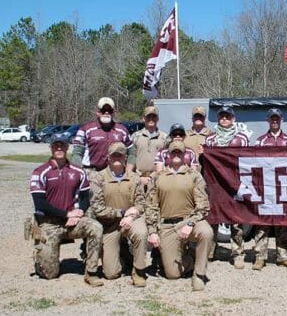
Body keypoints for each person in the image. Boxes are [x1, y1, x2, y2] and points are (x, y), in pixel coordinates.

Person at [29, 133, 103, 286]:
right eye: (55, 145)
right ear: (50, 147)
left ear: (67, 147)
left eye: (62, 145)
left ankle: (91, 272)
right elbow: (39, 203)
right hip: (49, 223)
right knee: (49, 275)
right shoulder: (40, 172)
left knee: (95, 227)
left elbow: (84, 197)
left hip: (72, 222)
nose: (59, 148)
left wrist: (79, 212)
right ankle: (40, 258)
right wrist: (66, 214)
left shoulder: (78, 172)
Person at [146, 141, 214, 291]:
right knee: (172, 274)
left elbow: (203, 205)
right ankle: (191, 256)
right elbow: (151, 206)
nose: (176, 155)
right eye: (173, 152)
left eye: (179, 152)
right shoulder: (157, 176)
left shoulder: (194, 175)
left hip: (190, 221)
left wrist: (190, 224)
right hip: (167, 226)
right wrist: (152, 231)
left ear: (185, 155)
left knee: (207, 232)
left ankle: (199, 274)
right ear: (168, 155)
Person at [88, 142, 148, 287]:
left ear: (125, 158)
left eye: (120, 155)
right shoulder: (98, 177)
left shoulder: (134, 178)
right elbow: (97, 208)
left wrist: (131, 215)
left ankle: (139, 271)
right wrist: (121, 213)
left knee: (141, 232)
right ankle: (124, 257)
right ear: (108, 158)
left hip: (131, 220)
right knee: (111, 274)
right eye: (114, 155)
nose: (117, 158)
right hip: (110, 224)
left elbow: (141, 203)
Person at [253, 108, 287, 271]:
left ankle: (284, 256)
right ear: (267, 120)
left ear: (282, 120)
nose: (274, 121)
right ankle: (260, 256)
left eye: (277, 118)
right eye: (272, 118)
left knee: (283, 222)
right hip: (265, 187)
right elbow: (254, 163)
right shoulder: (260, 141)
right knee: (262, 222)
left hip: (282, 186)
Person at [204, 106, 249, 269]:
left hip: (234, 183)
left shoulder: (242, 138)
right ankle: (210, 251)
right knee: (213, 218)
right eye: (222, 117)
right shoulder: (210, 139)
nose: (224, 119)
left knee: (235, 220)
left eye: (227, 117)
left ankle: (237, 253)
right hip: (215, 183)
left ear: (233, 119)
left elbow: (246, 160)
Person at [72, 97, 136, 174]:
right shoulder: (85, 129)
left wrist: (128, 172)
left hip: (115, 174)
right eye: (103, 110)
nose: (106, 113)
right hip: (91, 173)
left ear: (113, 113)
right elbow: (77, 154)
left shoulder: (122, 130)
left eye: (109, 110)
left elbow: (132, 152)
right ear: (98, 112)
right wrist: (80, 173)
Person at [132, 105, 168, 189]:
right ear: (144, 118)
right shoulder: (135, 136)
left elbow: (167, 160)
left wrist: (153, 176)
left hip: (157, 178)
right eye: (148, 116)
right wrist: (139, 177)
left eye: (154, 116)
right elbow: (131, 158)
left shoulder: (164, 138)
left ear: (158, 119)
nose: (151, 119)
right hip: (138, 178)